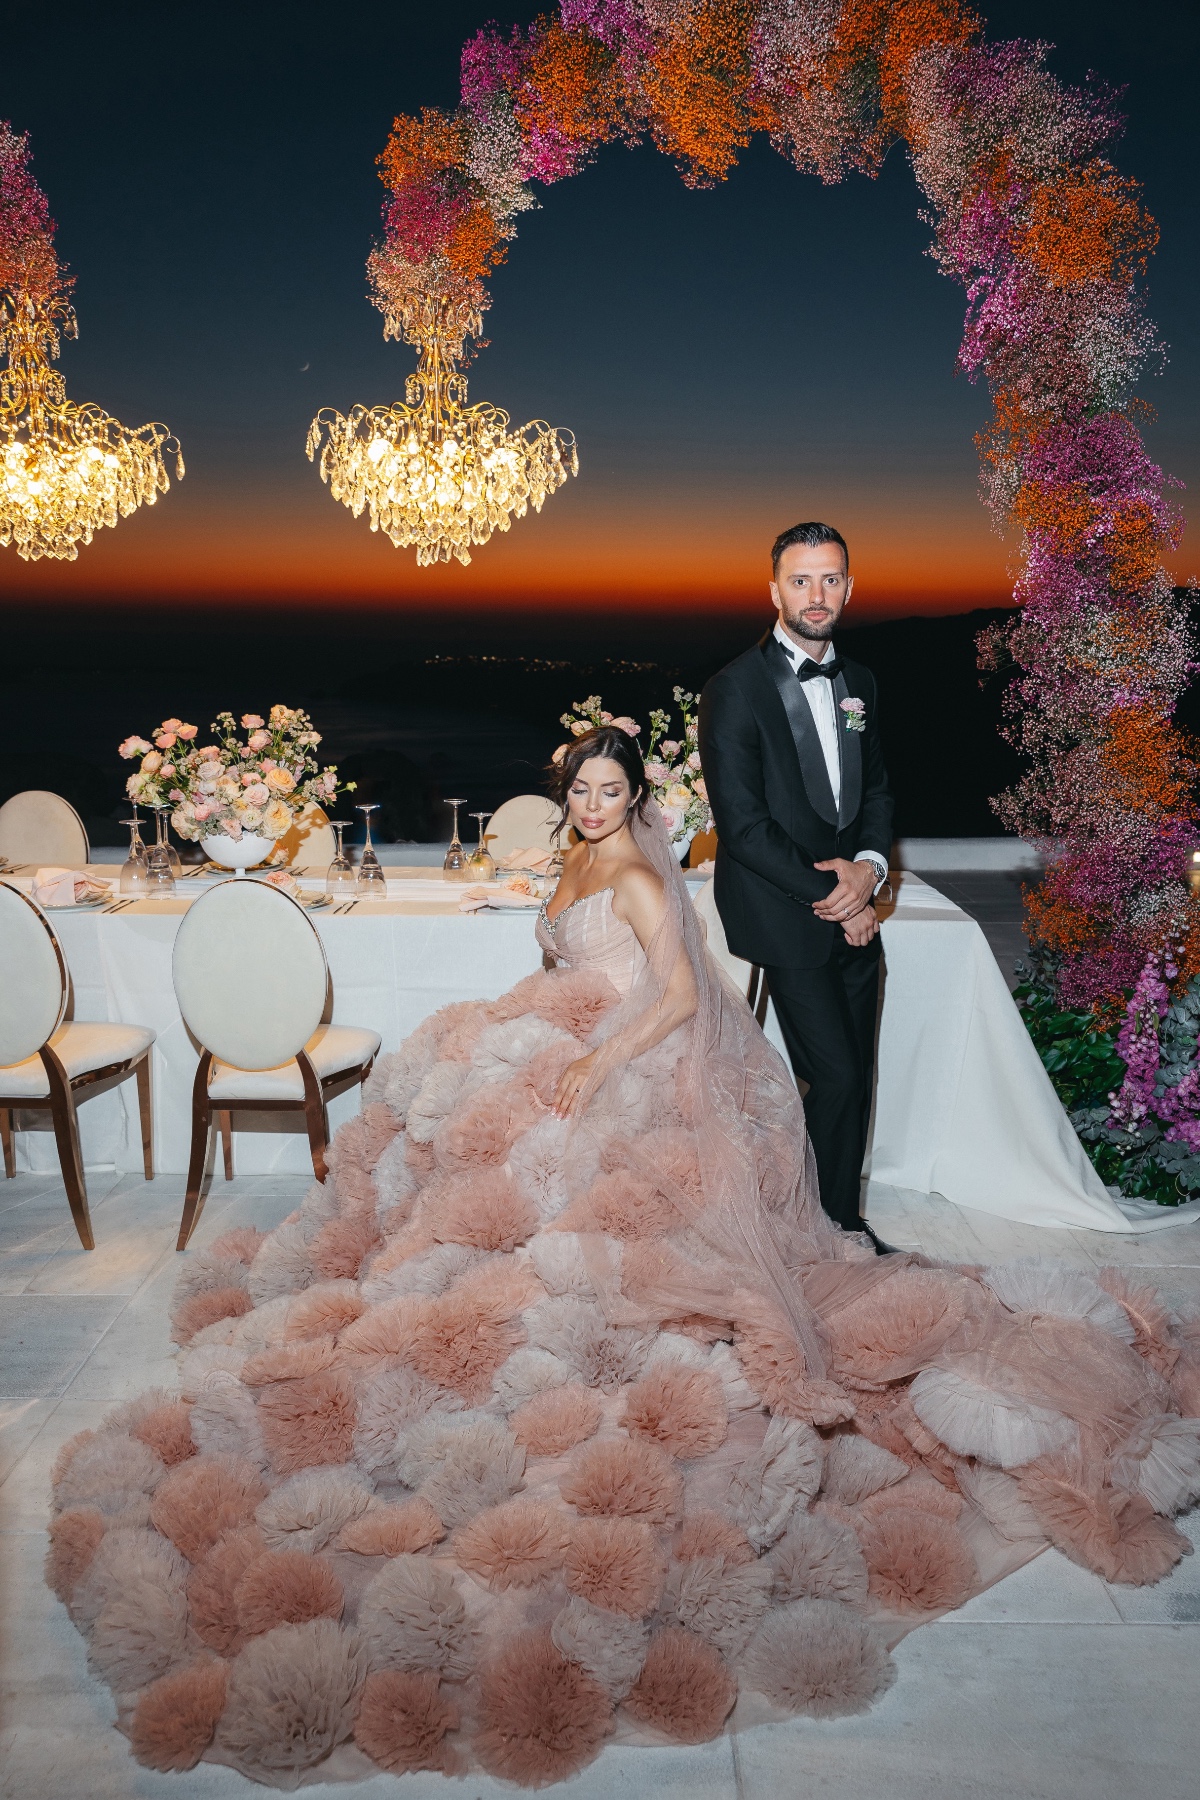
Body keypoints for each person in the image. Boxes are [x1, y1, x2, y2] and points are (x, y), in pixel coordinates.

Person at [47, 727, 1198, 1789]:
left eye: (613, 792)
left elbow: (683, 993)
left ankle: (522, 1286)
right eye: (583, 793)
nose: (597, 807)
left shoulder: (644, 875)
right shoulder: (580, 858)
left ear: (638, 799)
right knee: (436, 1138)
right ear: (569, 797)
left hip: (633, 1059)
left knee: (558, 1183)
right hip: (564, 1032)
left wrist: (596, 1064)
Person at [698, 521, 893, 1241]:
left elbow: (876, 794)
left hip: (852, 902)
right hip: (783, 909)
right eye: (802, 580)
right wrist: (837, 897)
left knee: (856, 1079)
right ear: (773, 588)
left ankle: (839, 1223)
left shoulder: (861, 682)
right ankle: (797, 1220)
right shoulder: (734, 689)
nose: (818, 595)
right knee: (835, 1078)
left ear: (850, 585)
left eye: (831, 578)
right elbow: (744, 829)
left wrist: (868, 872)